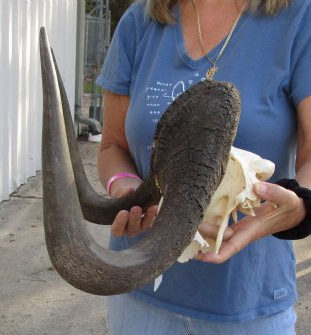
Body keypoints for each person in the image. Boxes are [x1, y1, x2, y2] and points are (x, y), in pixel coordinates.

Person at [96, 0, 311, 334]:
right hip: (138, 293)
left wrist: (297, 208)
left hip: (247, 304)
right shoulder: (140, 21)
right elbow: (112, 145)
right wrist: (125, 187)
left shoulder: (300, 18)